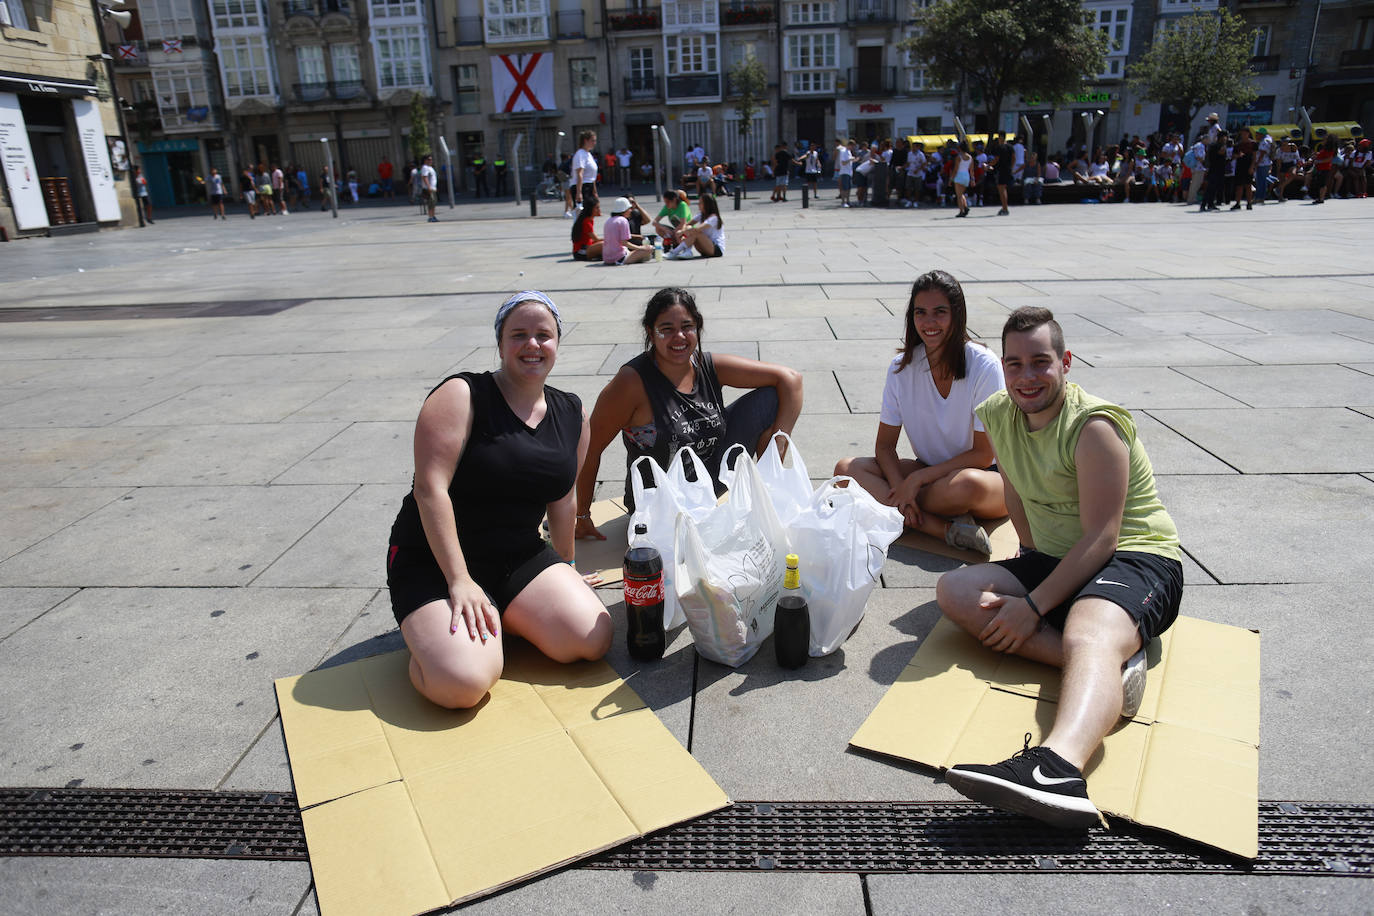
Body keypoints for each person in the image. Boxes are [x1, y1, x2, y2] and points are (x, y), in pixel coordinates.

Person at [937, 306, 1183, 829]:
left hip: (1135, 557)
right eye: (1015, 364)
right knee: (955, 592)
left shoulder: (1095, 426)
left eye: (1040, 362)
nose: (1027, 377)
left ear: (1065, 362)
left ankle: (1058, 770)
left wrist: (1032, 606)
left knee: (1087, 626)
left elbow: (1102, 537)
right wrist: (1027, 563)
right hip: (1056, 558)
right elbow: (1016, 491)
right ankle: (1111, 671)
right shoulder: (999, 412)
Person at [386, 291, 612, 709]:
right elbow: (429, 490)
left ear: (557, 342)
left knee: (591, 638)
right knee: (463, 684)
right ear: (500, 342)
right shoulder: (462, 394)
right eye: (518, 334)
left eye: (543, 335)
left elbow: (562, 497)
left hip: (516, 554)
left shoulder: (571, 412)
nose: (532, 345)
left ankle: (496, 616)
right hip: (434, 560)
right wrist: (459, 580)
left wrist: (566, 567)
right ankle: (433, 647)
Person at [574, 286, 804, 532]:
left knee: (771, 398)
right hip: (658, 503)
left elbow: (791, 379)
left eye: (687, 327)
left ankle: (765, 500)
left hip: (707, 484)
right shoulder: (631, 383)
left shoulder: (707, 365)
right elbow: (589, 448)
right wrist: (582, 516)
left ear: (698, 328)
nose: (679, 337)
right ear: (650, 333)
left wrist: (774, 459)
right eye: (667, 330)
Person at [833, 270, 1006, 555]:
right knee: (845, 472)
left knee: (966, 485)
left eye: (940, 312)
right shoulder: (901, 367)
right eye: (920, 313)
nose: (929, 322)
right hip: (929, 473)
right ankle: (942, 529)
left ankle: (898, 512)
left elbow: (982, 455)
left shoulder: (984, 365)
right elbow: (885, 446)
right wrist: (903, 486)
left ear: (957, 315)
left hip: (984, 478)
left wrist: (914, 482)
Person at [666, 192, 725, 259]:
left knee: (696, 232)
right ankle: (687, 252)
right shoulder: (701, 215)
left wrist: (682, 232)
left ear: (707, 205)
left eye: (700, 203)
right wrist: (683, 233)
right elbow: (688, 224)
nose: (698, 205)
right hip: (704, 248)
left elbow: (698, 229)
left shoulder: (714, 218)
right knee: (689, 229)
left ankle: (674, 252)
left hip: (716, 250)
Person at [602, 196, 653, 265]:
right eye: (629, 209)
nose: (631, 211)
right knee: (649, 249)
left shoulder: (609, 220)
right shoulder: (623, 220)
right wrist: (641, 248)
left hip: (607, 259)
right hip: (619, 258)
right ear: (624, 210)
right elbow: (624, 243)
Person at [572, 130, 599, 207]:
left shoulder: (588, 154)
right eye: (592, 141)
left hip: (589, 186)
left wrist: (595, 192)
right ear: (585, 141)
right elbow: (579, 174)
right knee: (583, 214)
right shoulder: (580, 154)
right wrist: (579, 192)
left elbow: (592, 176)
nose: (594, 143)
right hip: (583, 187)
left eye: (595, 141)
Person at [952, 142, 972, 217]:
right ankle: (965, 206)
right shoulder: (970, 157)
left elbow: (956, 169)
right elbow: (971, 169)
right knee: (961, 193)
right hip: (966, 175)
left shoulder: (959, 157)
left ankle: (961, 211)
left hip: (959, 175)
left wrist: (952, 178)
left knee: (959, 195)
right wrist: (972, 179)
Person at [835, 137, 854, 207]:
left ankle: (848, 201)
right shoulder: (843, 151)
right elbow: (843, 162)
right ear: (849, 145)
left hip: (849, 172)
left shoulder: (849, 152)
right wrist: (850, 159)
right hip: (844, 172)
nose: (852, 148)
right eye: (852, 146)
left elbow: (849, 161)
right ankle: (843, 202)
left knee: (848, 188)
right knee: (844, 188)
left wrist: (854, 160)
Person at [419, 154, 438, 222]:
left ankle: (433, 216)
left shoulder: (430, 168)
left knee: (434, 202)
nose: (431, 161)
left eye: (431, 159)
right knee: (431, 202)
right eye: (429, 159)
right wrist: (429, 187)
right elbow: (425, 177)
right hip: (429, 188)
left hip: (433, 188)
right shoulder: (425, 167)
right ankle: (430, 217)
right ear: (425, 160)